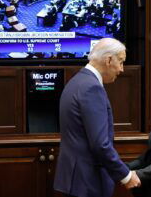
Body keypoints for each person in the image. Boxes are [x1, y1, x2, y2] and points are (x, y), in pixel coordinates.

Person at [54, 38, 141, 197]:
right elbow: (100, 144)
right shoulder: (91, 88)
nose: (122, 69)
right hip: (87, 182)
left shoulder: (77, 81)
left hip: (76, 180)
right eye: (121, 62)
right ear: (109, 60)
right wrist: (126, 175)